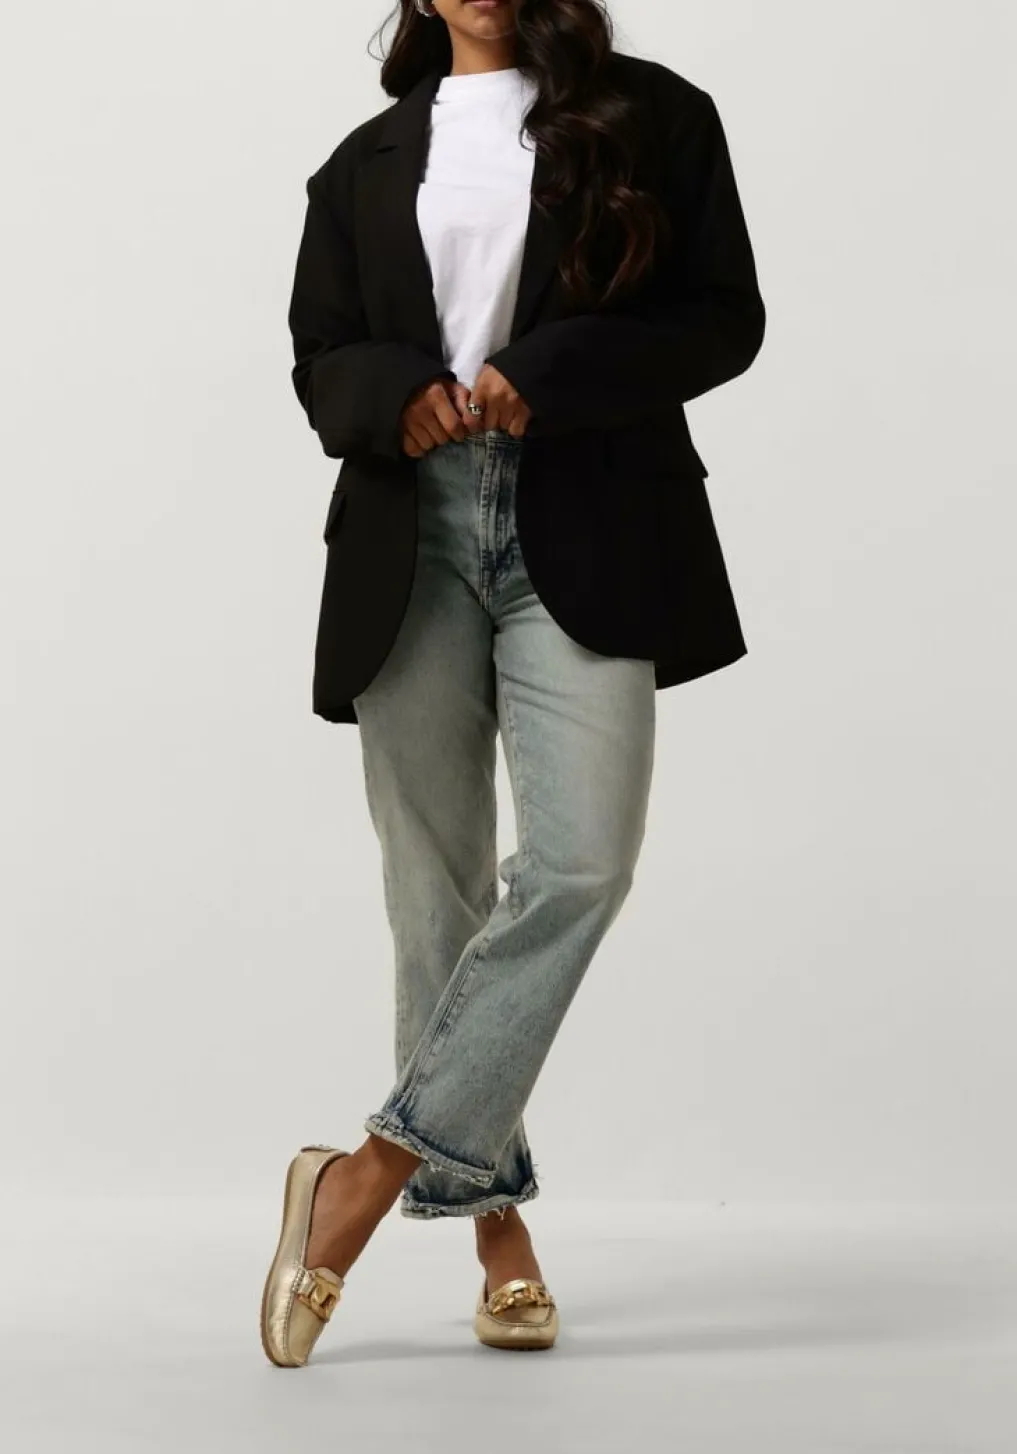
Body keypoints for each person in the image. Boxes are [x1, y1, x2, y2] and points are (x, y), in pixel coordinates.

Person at [260, 0, 765, 1367]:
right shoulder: (361, 163)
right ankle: (497, 1227)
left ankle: (364, 1176)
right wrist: (394, 395)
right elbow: (318, 357)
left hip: (587, 513)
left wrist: (555, 372)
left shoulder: (655, 117)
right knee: (438, 893)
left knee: (582, 860)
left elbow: (725, 318)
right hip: (408, 532)